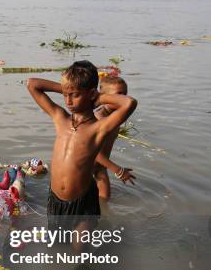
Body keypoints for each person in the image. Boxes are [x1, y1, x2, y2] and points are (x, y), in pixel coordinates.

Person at [26, 61, 137, 232]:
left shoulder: (98, 127)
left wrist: (98, 97)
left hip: (83, 201)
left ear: (91, 93)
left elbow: (129, 103)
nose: (68, 101)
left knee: (79, 252)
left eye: (75, 95)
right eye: (65, 95)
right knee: (58, 246)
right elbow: (32, 84)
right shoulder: (60, 118)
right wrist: (68, 88)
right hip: (56, 201)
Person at [93, 76, 135, 200]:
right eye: (119, 94)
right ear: (104, 97)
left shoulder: (115, 116)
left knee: (105, 201)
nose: (124, 98)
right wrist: (117, 170)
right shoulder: (98, 118)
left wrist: (110, 167)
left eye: (125, 94)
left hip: (100, 168)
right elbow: (91, 151)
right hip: (84, 169)